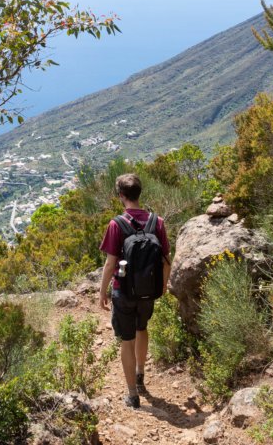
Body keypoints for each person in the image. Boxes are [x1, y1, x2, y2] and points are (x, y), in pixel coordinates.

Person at [98, 173, 171, 408]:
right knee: (143, 328)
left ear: (121, 196)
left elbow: (110, 263)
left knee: (126, 340)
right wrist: (163, 286)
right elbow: (166, 259)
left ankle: (132, 395)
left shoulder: (116, 224)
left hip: (124, 291)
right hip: (149, 290)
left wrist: (102, 292)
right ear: (139, 194)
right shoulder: (156, 222)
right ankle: (140, 374)